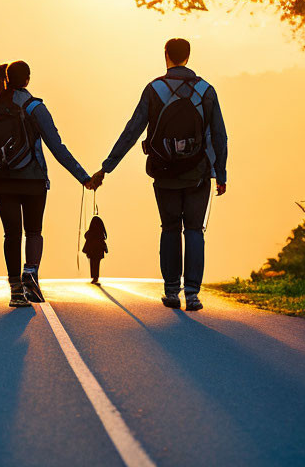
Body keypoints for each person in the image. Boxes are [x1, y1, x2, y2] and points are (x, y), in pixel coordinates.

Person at [88, 38, 227, 311]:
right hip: (198, 173)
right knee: (195, 231)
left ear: (166, 55)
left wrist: (107, 167)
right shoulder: (206, 91)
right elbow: (220, 136)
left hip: (164, 173)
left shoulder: (154, 90)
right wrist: (220, 172)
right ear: (188, 56)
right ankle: (193, 293)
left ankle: (172, 291)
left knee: (170, 228)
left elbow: (132, 131)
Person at [0, 61, 92, 307]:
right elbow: (57, 146)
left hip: (1, 181)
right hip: (32, 179)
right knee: (33, 231)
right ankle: (30, 273)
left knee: (11, 234)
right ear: (27, 79)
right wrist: (83, 177)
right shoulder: (35, 108)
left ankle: (15, 290)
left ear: (7, 79)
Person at [82, 214, 108, 285]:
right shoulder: (100, 233)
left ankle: (94, 277)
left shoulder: (91, 232)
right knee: (97, 264)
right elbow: (102, 241)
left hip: (92, 252)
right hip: (98, 252)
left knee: (92, 263)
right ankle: (95, 277)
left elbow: (86, 236)